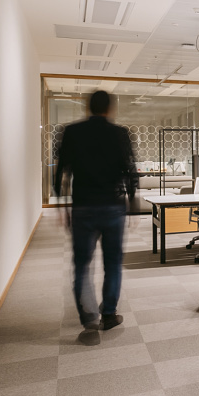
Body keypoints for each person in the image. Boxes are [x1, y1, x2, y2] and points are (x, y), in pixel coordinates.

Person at [53, 90, 136, 335]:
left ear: (88, 107)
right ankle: (109, 314)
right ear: (109, 108)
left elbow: (61, 173)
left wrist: (61, 206)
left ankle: (89, 317)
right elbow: (130, 172)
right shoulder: (120, 134)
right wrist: (132, 206)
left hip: (83, 207)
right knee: (113, 264)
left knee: (82, 264)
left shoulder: (72, 132)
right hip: (113, 208)